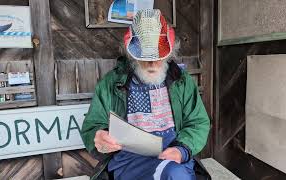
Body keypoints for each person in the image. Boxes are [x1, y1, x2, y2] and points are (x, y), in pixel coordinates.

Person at [81, 9, 210, 180]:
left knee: (176, 175)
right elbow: (93, 125)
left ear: (169, 52)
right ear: (131, 52)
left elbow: (198, 122)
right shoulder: (111, 83)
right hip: (129, 159)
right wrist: (99, 136)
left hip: (171, 151)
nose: (151, 62)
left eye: (158, 54)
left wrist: (182, 149)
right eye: (144, 54)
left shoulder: (182, 81)